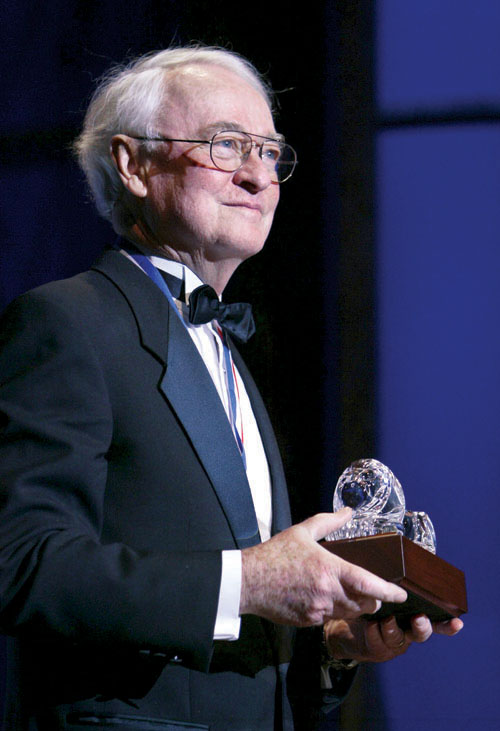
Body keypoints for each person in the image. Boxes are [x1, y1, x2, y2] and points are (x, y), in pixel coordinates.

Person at [0, 46, 462, 731]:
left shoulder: (229, 354)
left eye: (271, 152)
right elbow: (22, 563)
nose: (258, 175)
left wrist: (331, 647)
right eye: (226, 144)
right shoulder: (67, 322)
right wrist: (249, 580)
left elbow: (235, 635)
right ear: (134, 164)